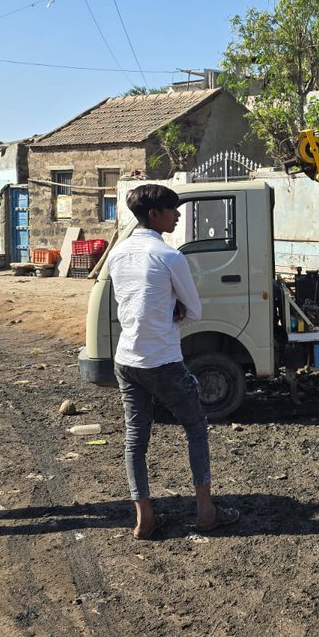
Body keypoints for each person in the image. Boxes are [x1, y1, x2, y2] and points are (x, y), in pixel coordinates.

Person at [109, 183, 239, 539]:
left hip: (126, 359)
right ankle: (206, 511)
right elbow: (194, 310)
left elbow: (130, 303)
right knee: (195, 428)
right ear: (155, 214)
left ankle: (144, 517)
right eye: (172, 210)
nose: (178, 215)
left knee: (136, 438)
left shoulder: (118, 254)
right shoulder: (170, 257)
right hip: (162, 359)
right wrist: (174, 311)